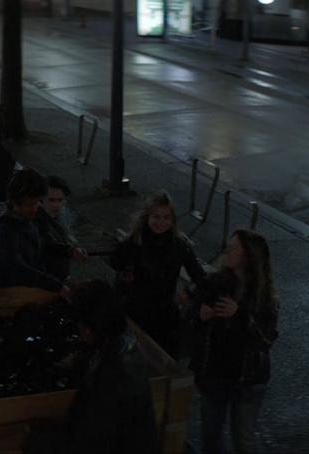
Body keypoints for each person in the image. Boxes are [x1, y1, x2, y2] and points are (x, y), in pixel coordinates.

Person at [23, 280, 158, 454]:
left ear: (88, 329)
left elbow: (89, 442)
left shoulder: (110, 379)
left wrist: (37, 440)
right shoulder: (123, 342)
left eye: (82, 326)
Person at [189, 230, 279, 454]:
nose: (227, 249)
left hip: (249, 379)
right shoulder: (213, 284)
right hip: (215, 375)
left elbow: (265, 340)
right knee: (211, 438)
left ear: (249, 256)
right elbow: (191, 322)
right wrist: (199, 315)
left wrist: (239, 314)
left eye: (235, 247)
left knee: (244, 440)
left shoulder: (265, 296)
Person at [111, 190, 206, 359]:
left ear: (172, 220)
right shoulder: (133, 242)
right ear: (147, 217)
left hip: (164, 312)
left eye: (166, 218)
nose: (160, 222)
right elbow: (116, 264)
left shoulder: (179, 244)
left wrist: (188, 293)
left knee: (163, 360)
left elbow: (200, 276)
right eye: (156, 216)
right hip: (134, 311)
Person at [0, 168, 66, 294]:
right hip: (13, 295)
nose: (36, 208)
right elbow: (16, 269)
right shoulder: (4, 231)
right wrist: (55, 285)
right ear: (15, 203)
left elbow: (44, 239)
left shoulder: (28, 216)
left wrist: (68, 250)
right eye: (30, 205)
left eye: (38, 202)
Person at [36, 176, 87, 282]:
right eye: (51, 200)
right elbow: (47, 242)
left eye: (60, 200)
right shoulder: (37, 219)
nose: (56, 205)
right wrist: (70, 250)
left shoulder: (58, 216)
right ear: (41, 200)